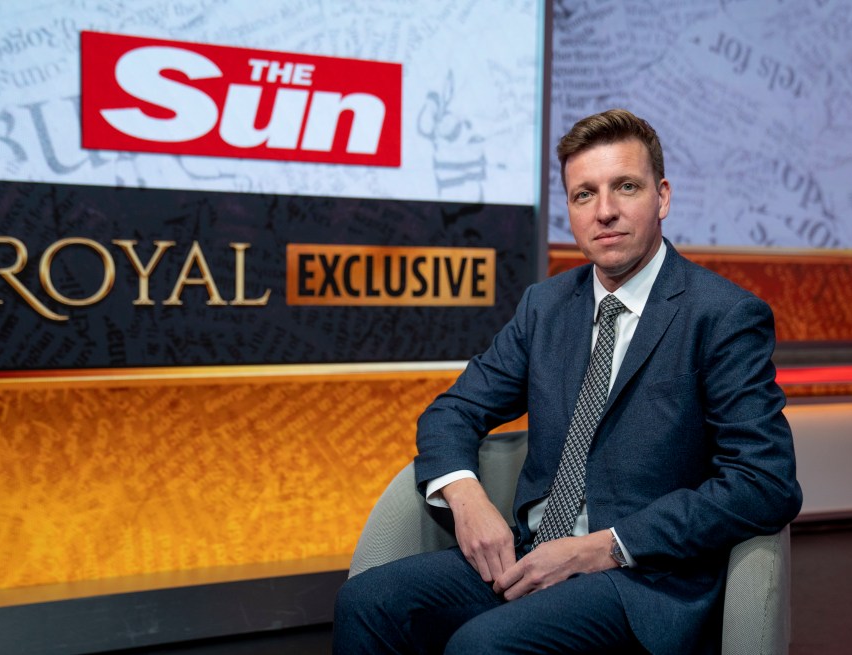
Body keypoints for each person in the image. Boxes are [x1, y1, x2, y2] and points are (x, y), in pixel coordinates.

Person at [332, 108, 802, 654]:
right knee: (367, 601)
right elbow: (451, 412)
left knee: (483, 646)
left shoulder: (721, 314)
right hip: (531, 555)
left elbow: (764, 481)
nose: (605, 211)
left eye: (625, 187)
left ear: (663, 197)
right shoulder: (546, 306)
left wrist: (602, 548)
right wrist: (467, 498)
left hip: (641, 581)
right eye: (584, 195)